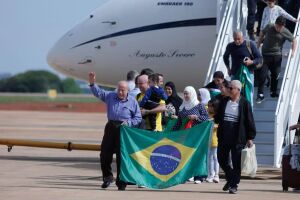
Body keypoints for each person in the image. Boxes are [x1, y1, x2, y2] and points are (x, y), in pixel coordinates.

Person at [88, 72, 142, 191]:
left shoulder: (132, 101)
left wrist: (128, 123)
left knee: (121, 156)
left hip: (124, 129)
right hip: (111, 127)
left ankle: (121, 182)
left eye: (123, 90)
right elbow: (99, 92)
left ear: (128, 90)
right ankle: (107, 177)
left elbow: (138, 118)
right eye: (119, 90)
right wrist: (92, 83)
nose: (120, 92)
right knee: (104, 154)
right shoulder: (111, 96)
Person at [214, 80, 256, 194]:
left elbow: (249, 121)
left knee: (236, 161)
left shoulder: (244, 103)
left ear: (238, 90)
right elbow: (218, 117)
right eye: (228, 87)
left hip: (238, 137)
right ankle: (231, 177)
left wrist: (250, 137)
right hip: (224, 135)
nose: (228, 89)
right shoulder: (224, 101)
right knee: (221, 158)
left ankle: (234, 185)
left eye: (231, 88)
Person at [173, 86, 209, 184]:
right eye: (184, 93)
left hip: (197, 135)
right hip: (186, 135)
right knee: (185, 154)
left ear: (192, 93)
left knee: (196, 154)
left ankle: (198, 176)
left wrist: (196, 117)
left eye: (187, 93)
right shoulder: (182, 106)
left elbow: (206, 118)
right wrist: (172, 133)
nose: (185, 95)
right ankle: (186, 175)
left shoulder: (199, 105)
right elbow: (179, 122)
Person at [256, 16, 297, 102]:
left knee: (275, 74)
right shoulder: (270, 26)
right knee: (262, 75)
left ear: (283, 26)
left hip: (276, 55)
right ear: (275, 23)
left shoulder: (285, 31)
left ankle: (273, 91)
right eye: (277, 26)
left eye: (280, 27)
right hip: (265, 54)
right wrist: (258, 44)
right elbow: (262, 33)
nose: (278, 28)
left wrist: (293, 52)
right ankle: (260, 94)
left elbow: (294, 40)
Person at [206, 99, 220, 183]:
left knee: (215, 157)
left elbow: (217, 125)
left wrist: (212, 125)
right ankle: (210, 174)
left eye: (211, 106)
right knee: (209, 157)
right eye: (209, 106)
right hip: (208, 140)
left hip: (215, 139)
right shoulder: (207, 116)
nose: (209, 108)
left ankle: (216, 175)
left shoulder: (217, 116)